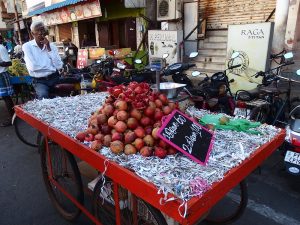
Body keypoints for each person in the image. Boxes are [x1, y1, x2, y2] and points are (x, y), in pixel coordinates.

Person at [22, 21, 63, 99]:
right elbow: (33, 67)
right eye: (37, 30)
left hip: (54, 78)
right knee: (43, 96)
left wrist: (48, 48)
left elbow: (59, 66)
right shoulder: (27, 46)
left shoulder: (52, 46)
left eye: (42, 30)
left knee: (64, 95)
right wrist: (51, 68)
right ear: (32, 33)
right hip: (39, 81)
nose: (40, 33)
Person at [0, 35, 14, 127]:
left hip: (2, 75)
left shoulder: (0, 48)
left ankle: (13, 118)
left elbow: (9, 63)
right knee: (5, 97)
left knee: (6, 97)